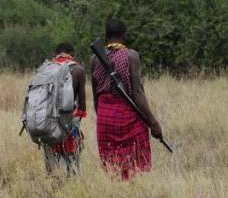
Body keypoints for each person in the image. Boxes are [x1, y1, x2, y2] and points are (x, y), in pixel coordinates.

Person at [90, 17, 163, 180]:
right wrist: (153, 122)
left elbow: (95, 97)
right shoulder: (131, 56)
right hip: (127, 116)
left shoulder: (95, 59)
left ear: (106, 35)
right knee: (135, 168)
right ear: (124, 35)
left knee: (112, 167)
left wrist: (103, 117)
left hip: (104, 117)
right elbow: (137, 93)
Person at [43, 42, 88, 177]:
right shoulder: (78, 70)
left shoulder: (46, 69)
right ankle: (72, 181)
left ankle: (55, 181)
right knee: (73, 164)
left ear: (55, 54)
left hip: (47, 124)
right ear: (72, 54)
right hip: (69, 122)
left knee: (53, 168)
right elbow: (82, 108)